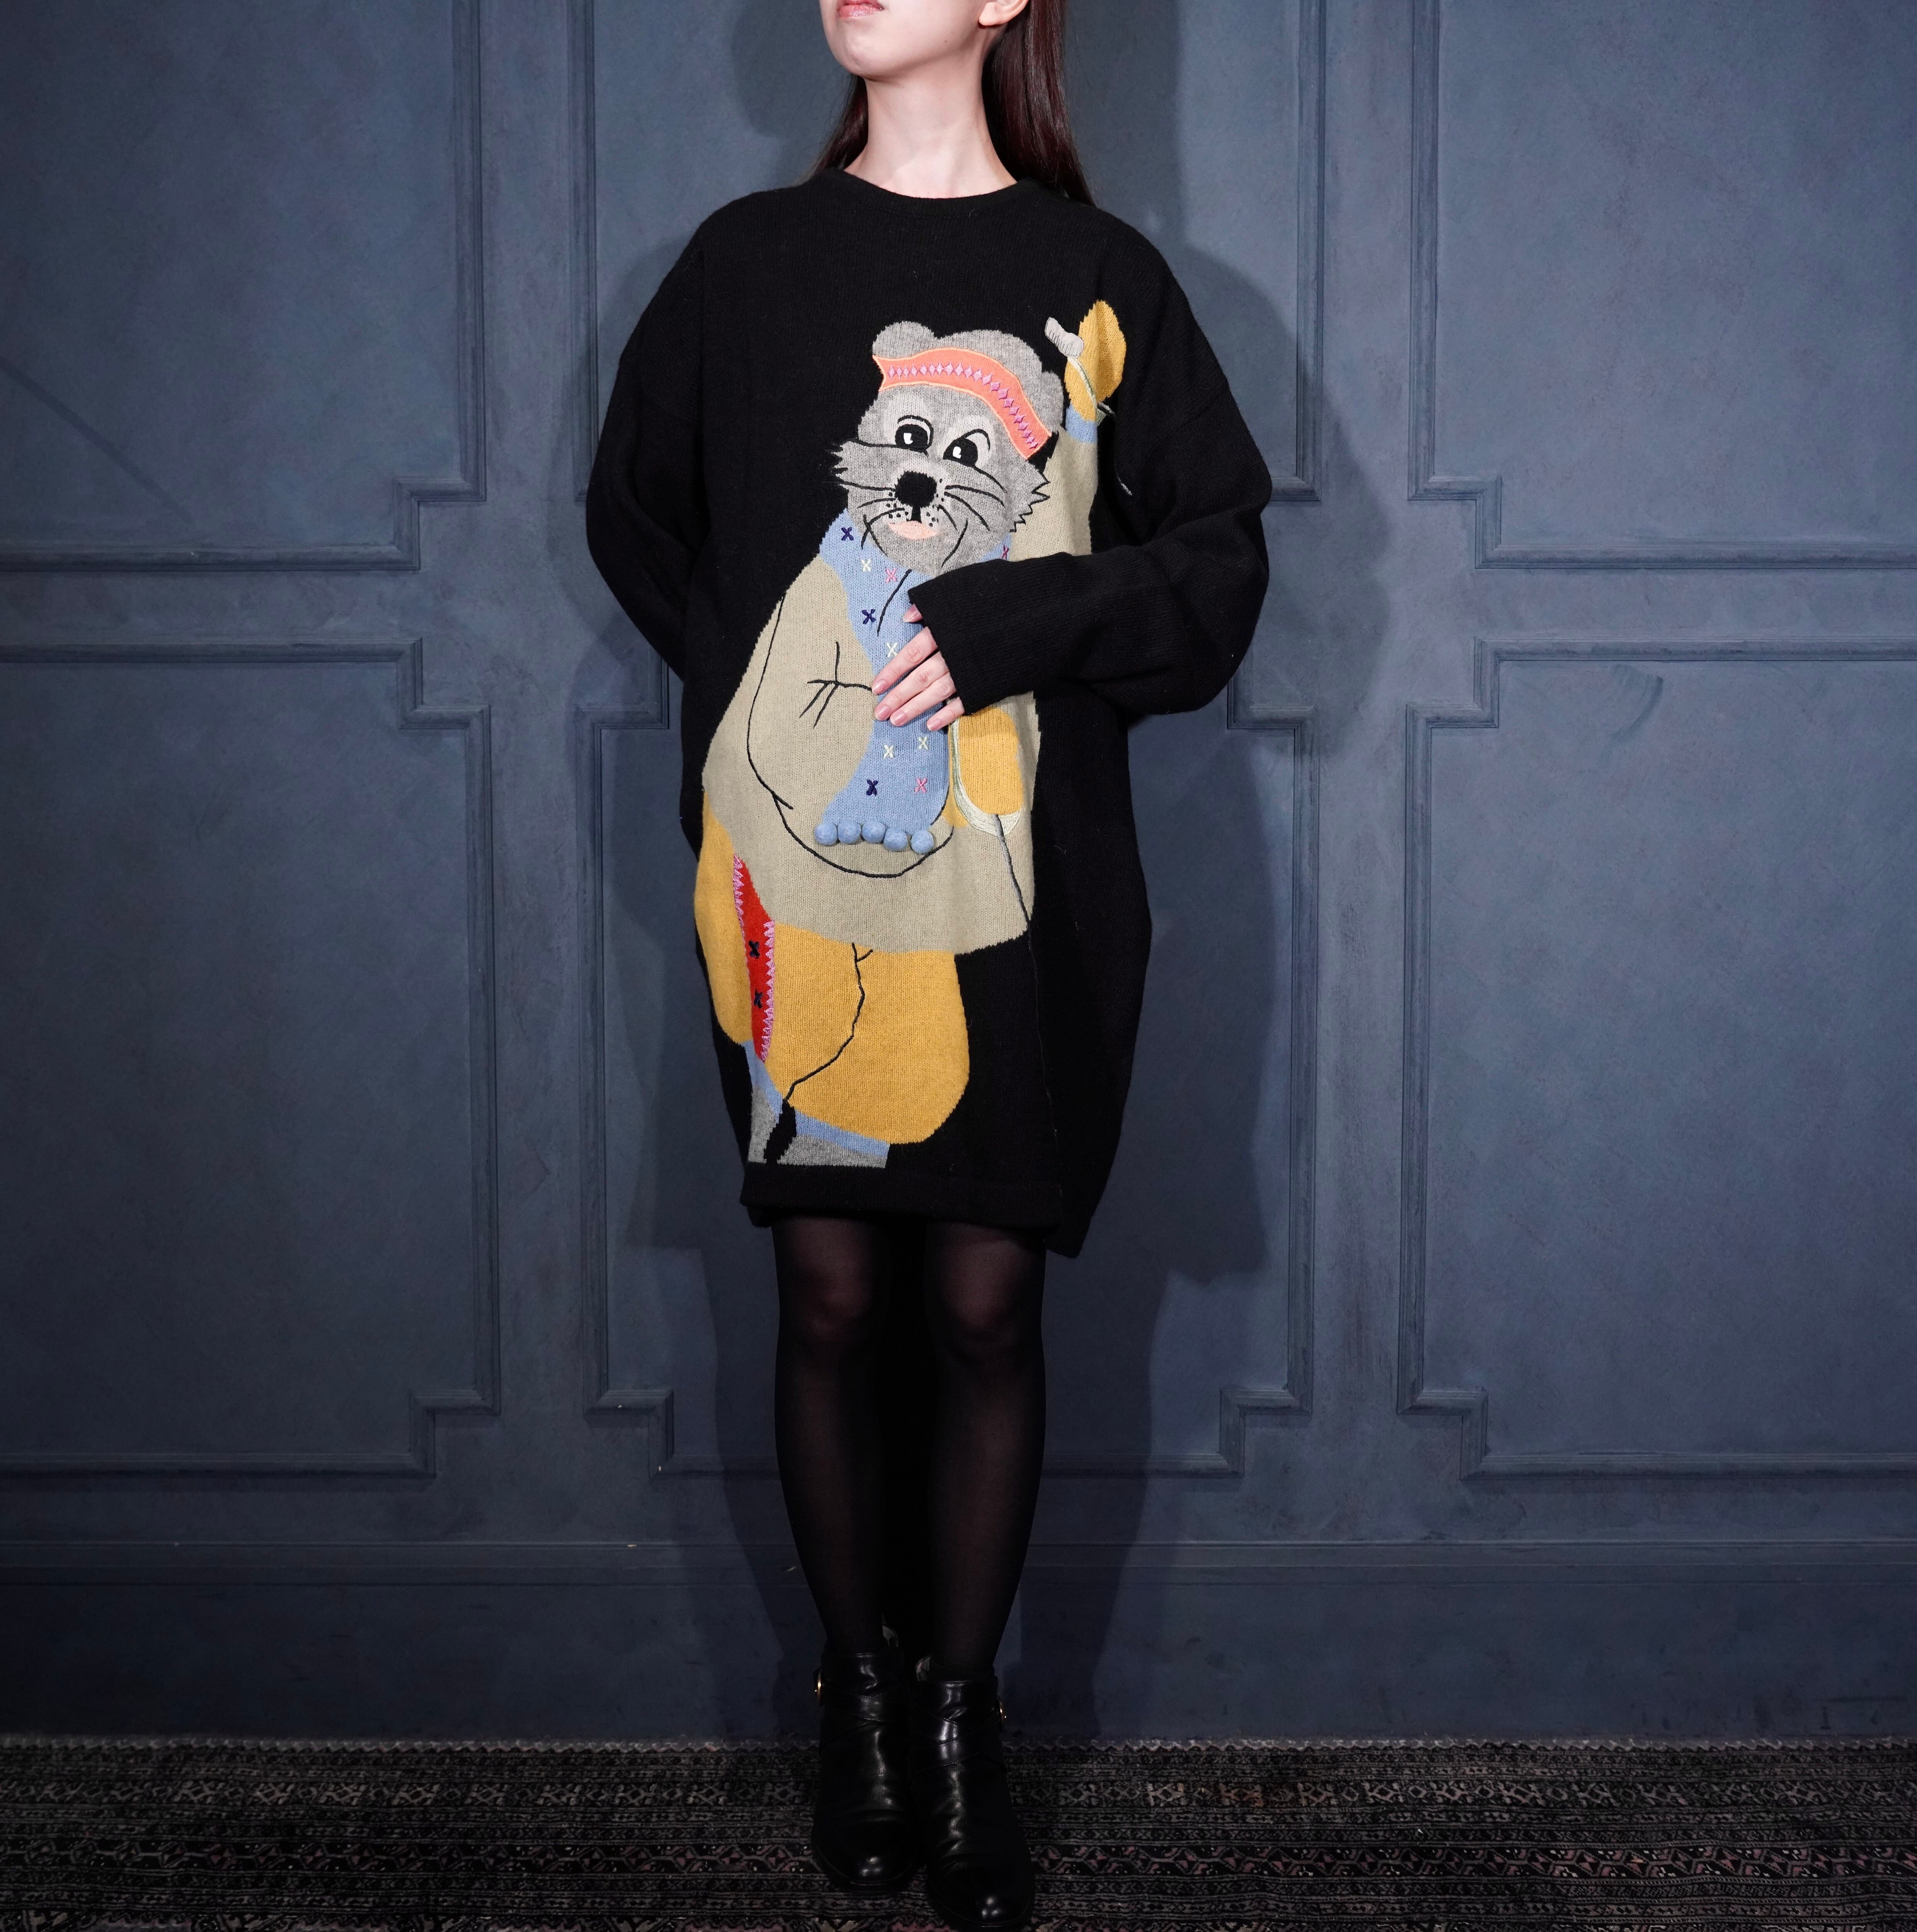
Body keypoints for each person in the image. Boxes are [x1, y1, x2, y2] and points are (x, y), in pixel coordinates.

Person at [584, 0, 1273, 1924]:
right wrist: (769, 704)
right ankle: (861, 1704)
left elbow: (1219, 563)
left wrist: (1007, 626)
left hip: (1026, 883)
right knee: (823, 1294)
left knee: (981, 1303)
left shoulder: (1103, 278)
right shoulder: (741, 267)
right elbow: (634, 516)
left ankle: (963, 1717)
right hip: (786, 877)